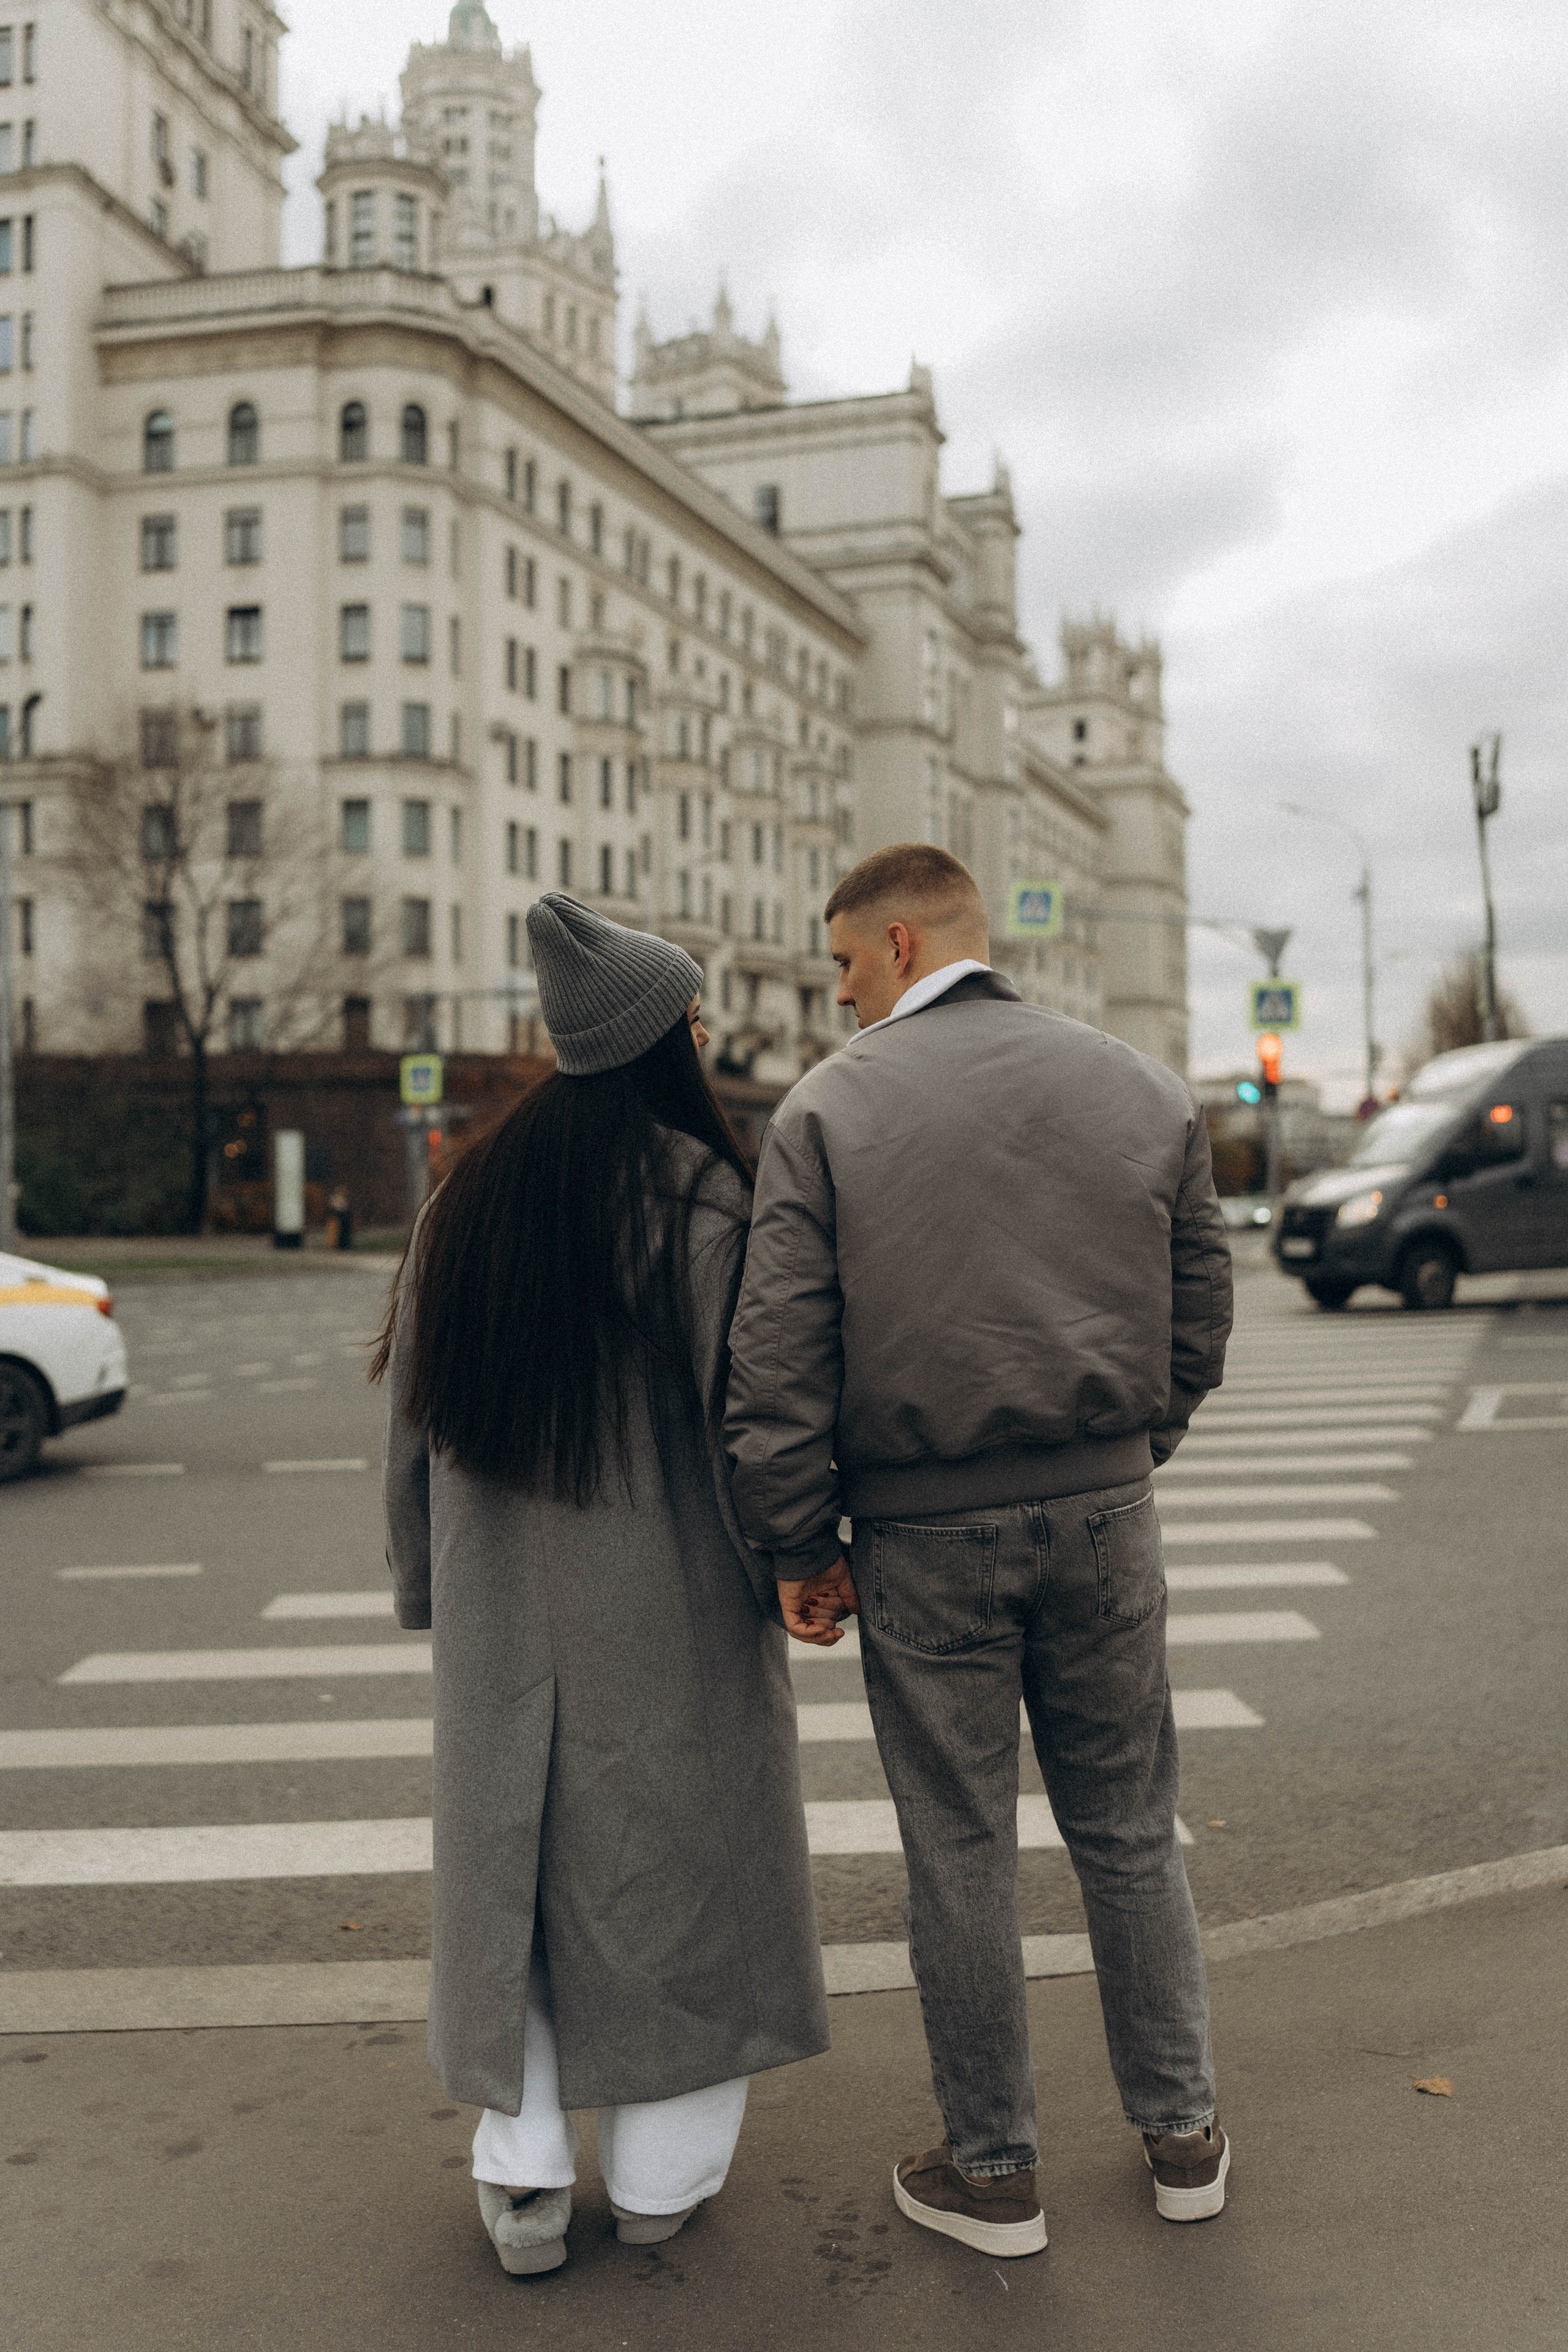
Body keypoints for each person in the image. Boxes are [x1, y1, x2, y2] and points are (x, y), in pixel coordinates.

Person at [724, 843, 1234, 2260]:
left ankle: (993, 2170)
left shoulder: (829, 1109)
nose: (834, 996)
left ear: (895, 943)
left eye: (836, 965)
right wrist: (1138, 1445)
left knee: (956, 1848)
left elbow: (776, 1358)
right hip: (1102, 1507)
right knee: (1128, 1825)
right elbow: (1200, 1299)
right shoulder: (1136, 1084)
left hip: (918, 1527)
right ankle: (1182, 2134)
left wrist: (795, 1540)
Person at [376, 892, 830, 2280]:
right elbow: (744, 1417)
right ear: (660, 1042)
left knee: (509, 1882)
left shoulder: (468, 1198)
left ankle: (516, 2185)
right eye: (693, 1017)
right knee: (682, 1883)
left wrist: (421, 1582)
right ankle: (654, 2183)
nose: (705, 1033)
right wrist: (791, 1569)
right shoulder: (701, 1202)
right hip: (668, 1606)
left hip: (503, 1614)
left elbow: (406, 1417)